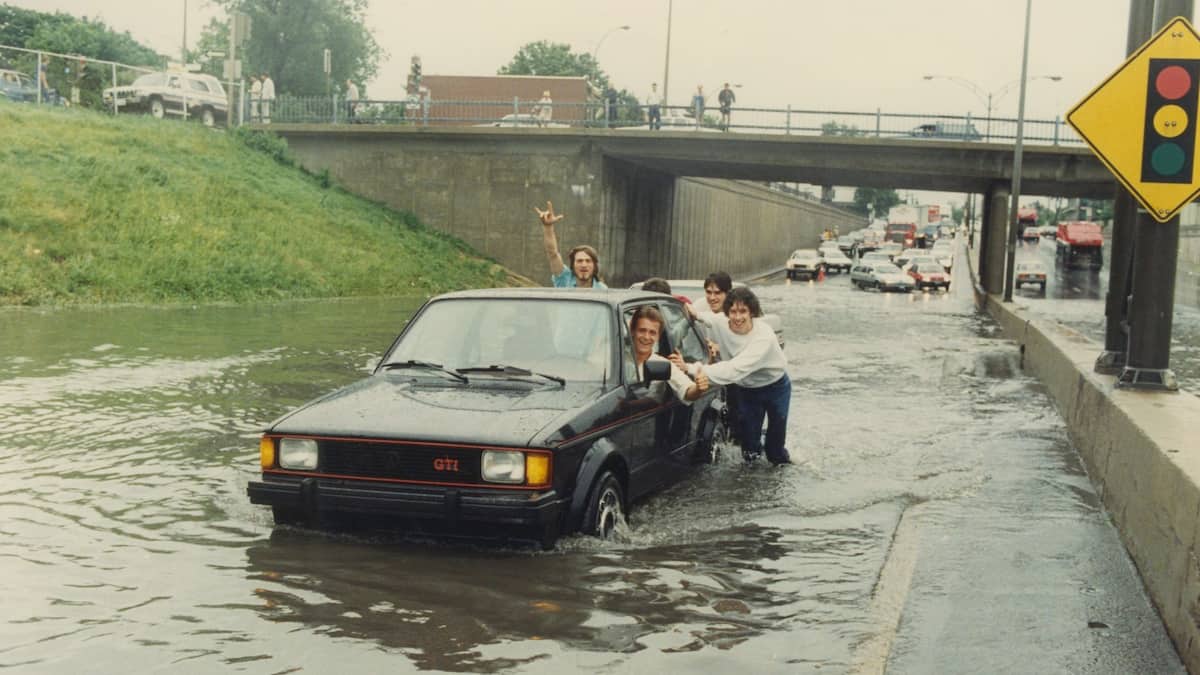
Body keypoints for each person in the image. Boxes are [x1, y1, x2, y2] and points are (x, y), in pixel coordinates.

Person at [675, 287, 790, 465]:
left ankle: (779, 473)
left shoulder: (764, 336)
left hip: (775, 386)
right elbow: (707, 318)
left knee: (775, 449)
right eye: (733, 312)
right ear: (727, 312)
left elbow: (733, 370)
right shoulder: (721, 321)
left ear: (752, 312)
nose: (737, 317)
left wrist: (691, 368)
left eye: (743, 311)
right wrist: (693, 312)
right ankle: (751, 484)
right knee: (749, 448)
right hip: (747, 389)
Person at [630, 306, 709, 402]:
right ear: (632, 331)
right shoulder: (612, 357)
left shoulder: (661, 364)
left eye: (652, 333)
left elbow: (687, 390)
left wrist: (698, 389)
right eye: (642, 330)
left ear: (658, 336)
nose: (646, 337)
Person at [534, 200, 606, 288]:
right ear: (573, 265)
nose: (584, 265)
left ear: (595, 266)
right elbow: (552, 253)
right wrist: (548, 227)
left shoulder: (602, 290)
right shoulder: (564, 279)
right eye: (579, 261)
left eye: (588, 261)